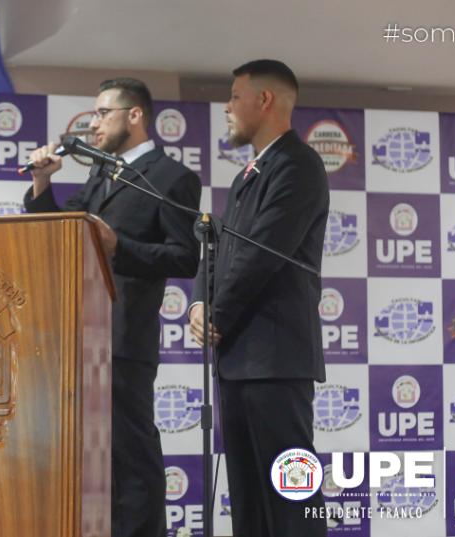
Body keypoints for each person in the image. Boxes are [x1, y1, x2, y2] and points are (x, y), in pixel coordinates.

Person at [23, 77, 201, 537]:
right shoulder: (102, 171)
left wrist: (118, 245)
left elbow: (184, 256)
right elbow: (61, 229)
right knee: (96, 460)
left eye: (104, 113)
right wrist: (43, 182)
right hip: (82, 334)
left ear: (135, 115)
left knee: (131, 456)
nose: (93, 122)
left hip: (125, 336)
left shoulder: (172, 177)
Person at [188, 60, 329, 536]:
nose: (227, 107)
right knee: (248, 497)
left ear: (263, 100)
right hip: (239, 358)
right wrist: (198, 304)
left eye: (233, 96)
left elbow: (260, 256)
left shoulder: (297, 165)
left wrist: (217, 314)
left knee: (292, 496)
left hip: (276, 359)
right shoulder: (250, 173)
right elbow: (223, 249)